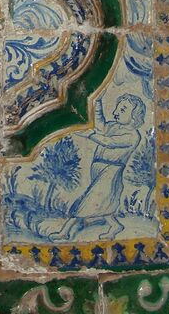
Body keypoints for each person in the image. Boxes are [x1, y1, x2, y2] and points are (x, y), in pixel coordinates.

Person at [54, 94, 146, 240]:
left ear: (134, 116)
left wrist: (89, 135)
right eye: (117, 108)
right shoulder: (114, 126)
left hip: (111, 171)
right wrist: (97, 102)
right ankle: (115, 226)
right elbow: (100, 126)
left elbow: (108, 142)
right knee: (103, 202)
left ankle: (65, 232)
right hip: (99, 169)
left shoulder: (133, 136)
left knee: (87, 201)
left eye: (122, 110)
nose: (116, 112)